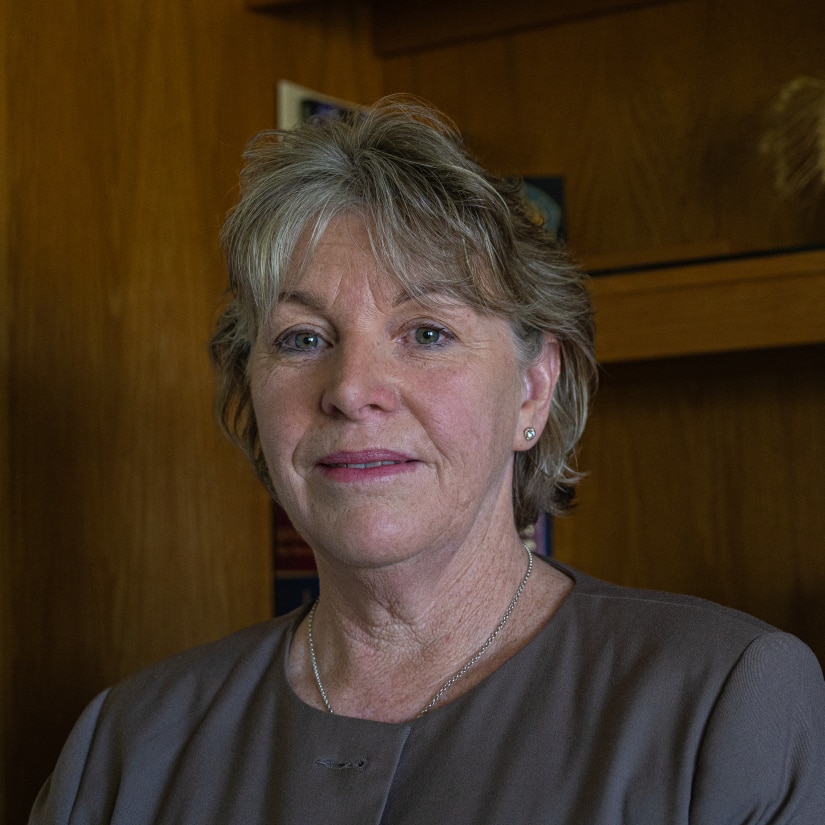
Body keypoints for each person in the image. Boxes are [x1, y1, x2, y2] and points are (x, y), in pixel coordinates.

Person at [30, 97, 825, 824]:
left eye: (427, 332)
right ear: (251, 389)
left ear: (532, 389)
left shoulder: (724, 704)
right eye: (301, 339)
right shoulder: (120, 749)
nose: (351, 389)